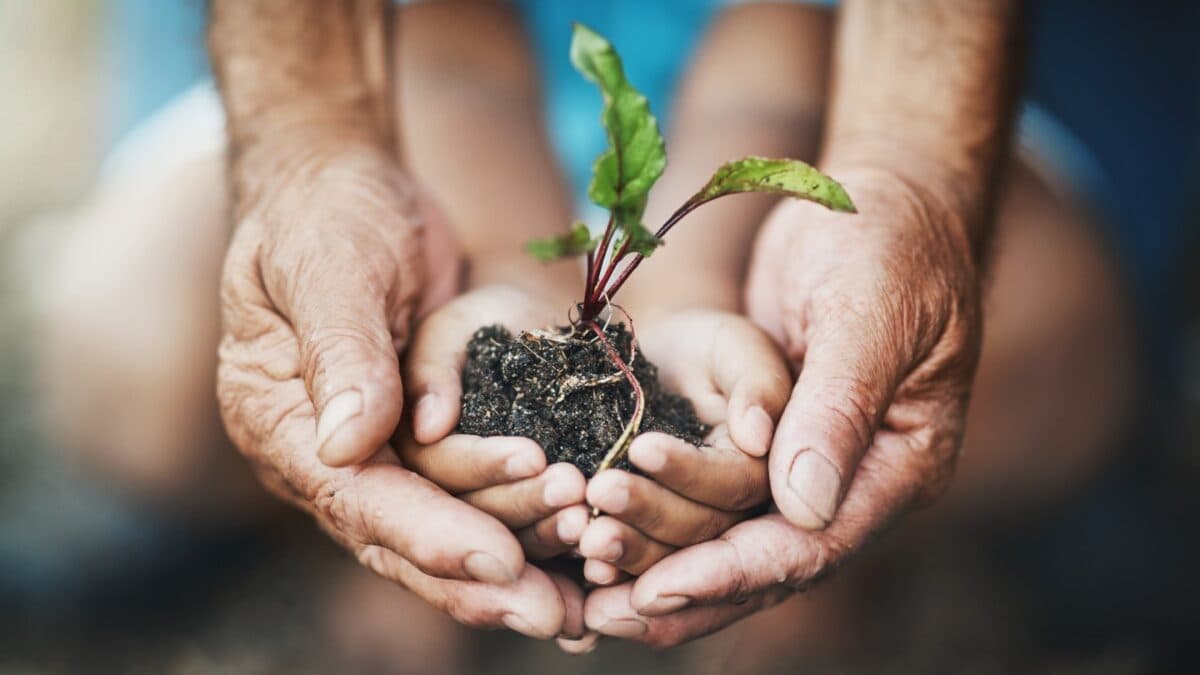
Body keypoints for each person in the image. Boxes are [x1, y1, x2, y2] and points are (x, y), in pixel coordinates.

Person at [38, 0, 1133, 659]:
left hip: (816, 99)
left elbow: (787, 55)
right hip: (407, 101)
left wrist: (699, 283)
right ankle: (352, 538)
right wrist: (497, 257)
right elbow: (435, 49)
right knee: (144, 348)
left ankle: (841, 567)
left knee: (1046, 343)